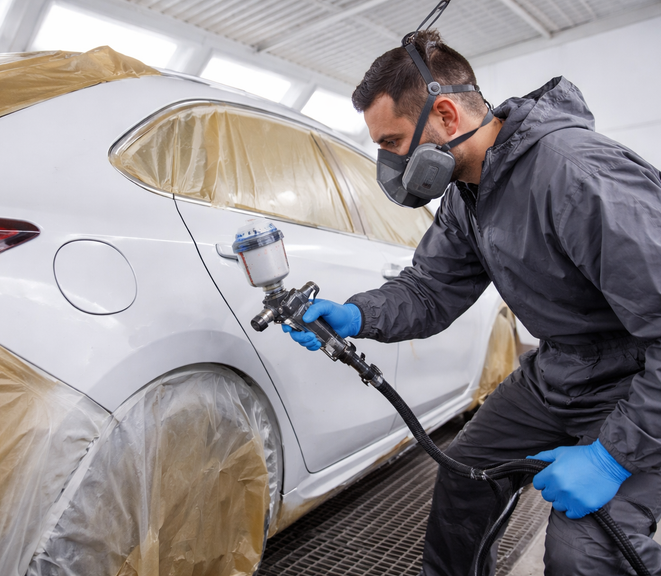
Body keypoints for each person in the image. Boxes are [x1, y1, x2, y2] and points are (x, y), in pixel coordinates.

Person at [283, 29, 661, 575]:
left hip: (641, 382)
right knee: (465, 473)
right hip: (561, 369)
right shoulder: (470, 190)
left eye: (391, 142)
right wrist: (357, 314)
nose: (388, 162)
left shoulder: (577, 175)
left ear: (446, 115)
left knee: (585, 550)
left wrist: (610, 458)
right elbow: (430, 289)